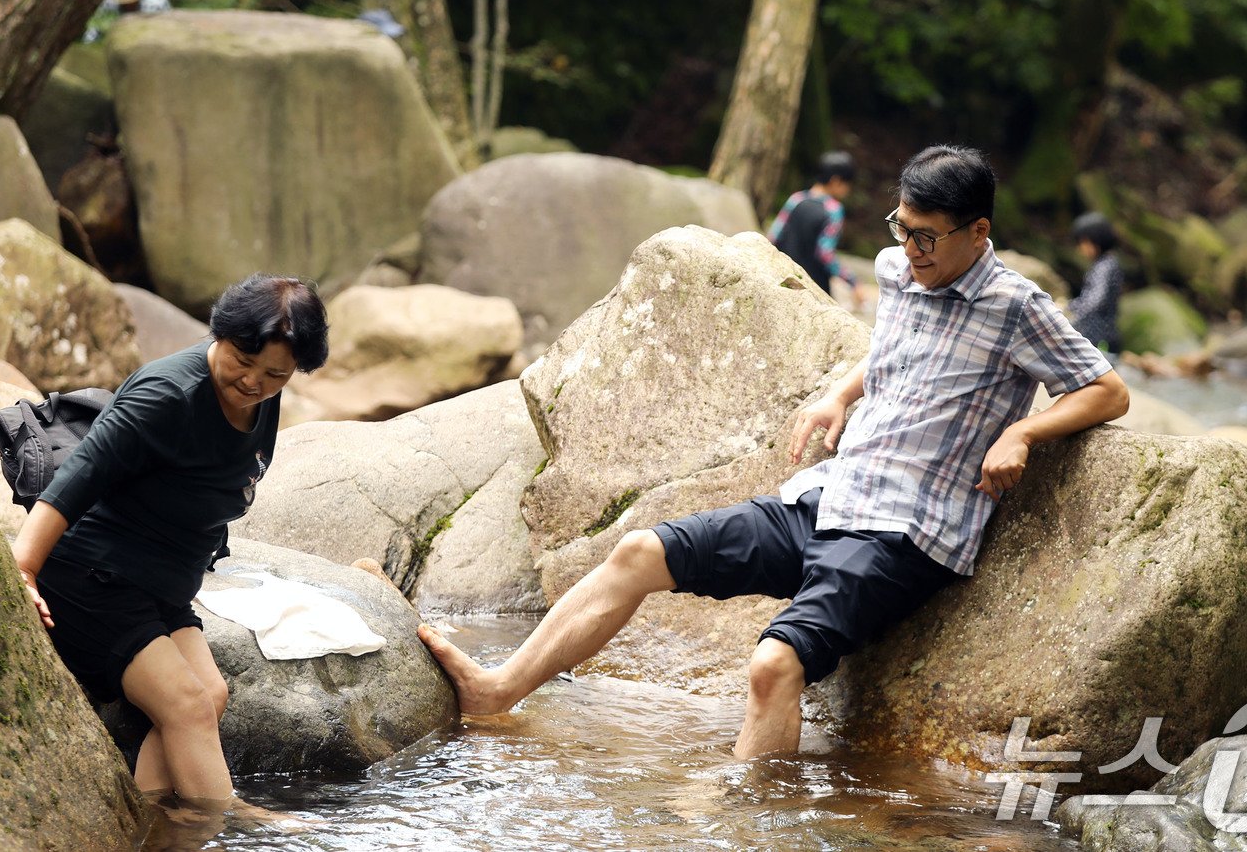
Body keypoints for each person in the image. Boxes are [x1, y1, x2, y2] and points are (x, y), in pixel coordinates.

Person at [419, 145, 1129, 760]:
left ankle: (749, 824)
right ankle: (495, 690)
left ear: (979, 231)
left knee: (772, 663)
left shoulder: (1016, 305)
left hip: (903, 536)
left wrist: (1023, 432)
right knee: (638, 551)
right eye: (902, 230)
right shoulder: (897, 272)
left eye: (927, 240)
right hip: (827, 497)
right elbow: (893, 348)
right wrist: (840, 393)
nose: (911, 252)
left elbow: (1108, 389)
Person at [11, 275, 329, 810]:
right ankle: (232, 823)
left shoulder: (261, 397)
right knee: (187, 706)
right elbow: (78, 476)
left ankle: (157, 821)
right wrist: (22, 569)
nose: (253, 381)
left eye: (275, 373)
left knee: (211, 695)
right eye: (242, 360)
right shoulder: (168, 395)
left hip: (159, 582)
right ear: (221, 334)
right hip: (92, 576)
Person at [769, 151, 864, 301]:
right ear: (836, 181)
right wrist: (852, 281)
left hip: (783, 275)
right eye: (847, 185)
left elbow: (774, 235)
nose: (848, 190)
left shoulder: (796, 199)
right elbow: (825, 254)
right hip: (813, 286)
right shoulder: (833, 210)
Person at [1068, 212, 1124, 356]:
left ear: (1097, 240)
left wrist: (1070, 308)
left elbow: (1095, 300)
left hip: (1100, 336)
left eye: (1084, 242)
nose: (1081, 248)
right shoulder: (1108, 263)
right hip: (1103, 334)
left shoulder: (1104, 266)